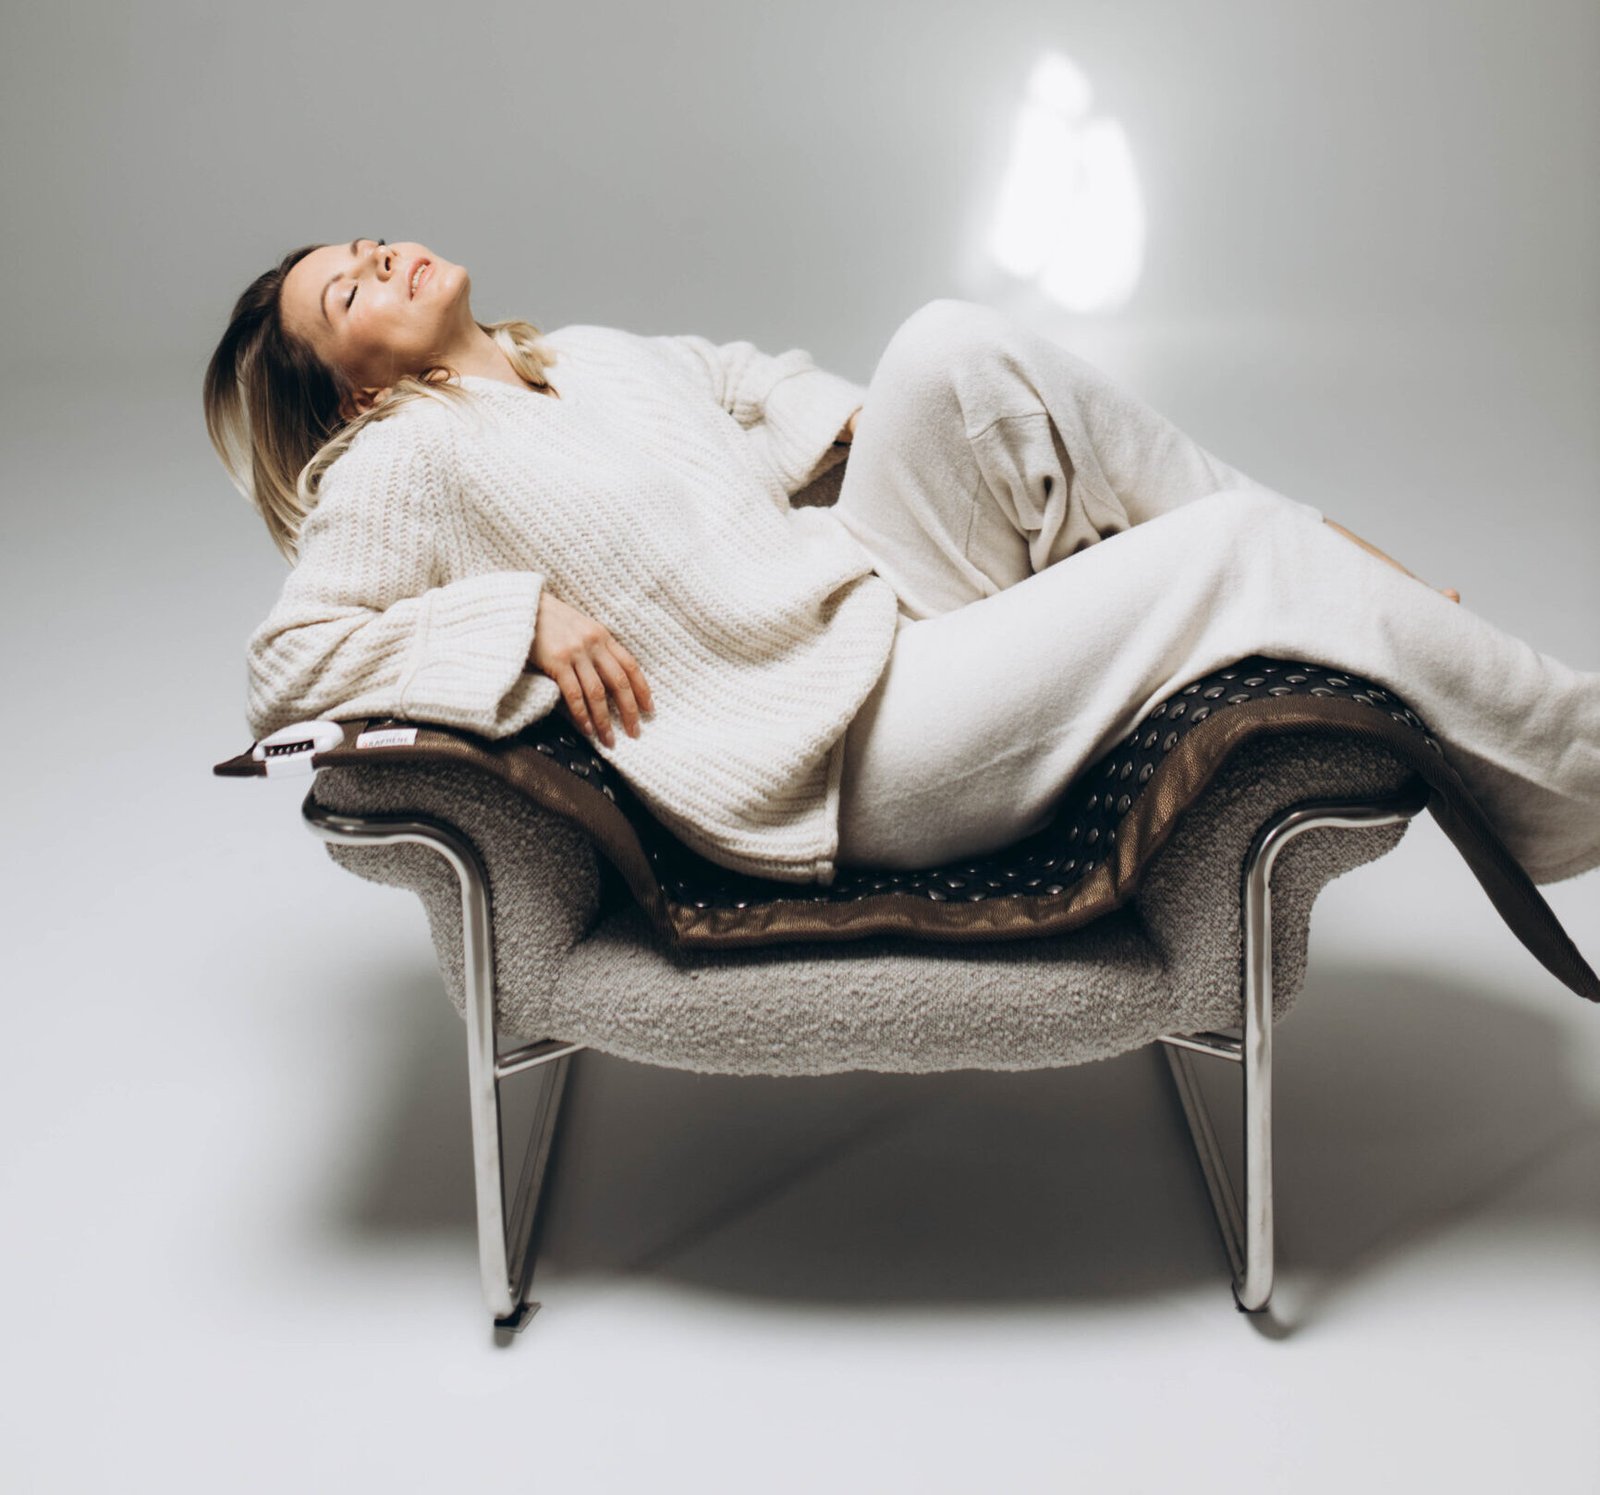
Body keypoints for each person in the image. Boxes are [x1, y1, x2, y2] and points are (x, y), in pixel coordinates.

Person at [204, 237, 1600, 888]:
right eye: (350, 289)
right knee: (1234, 553)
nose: (383, 257)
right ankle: (1575, 760)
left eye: (369, 243)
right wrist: (516, 616)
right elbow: (285, 671)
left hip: (878, 615)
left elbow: (750, 384)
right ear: (353, 388)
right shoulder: (402, 459)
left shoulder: (585, 357)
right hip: (848, 755)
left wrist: (892, 434)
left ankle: (1333, 569)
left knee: (952, 345)